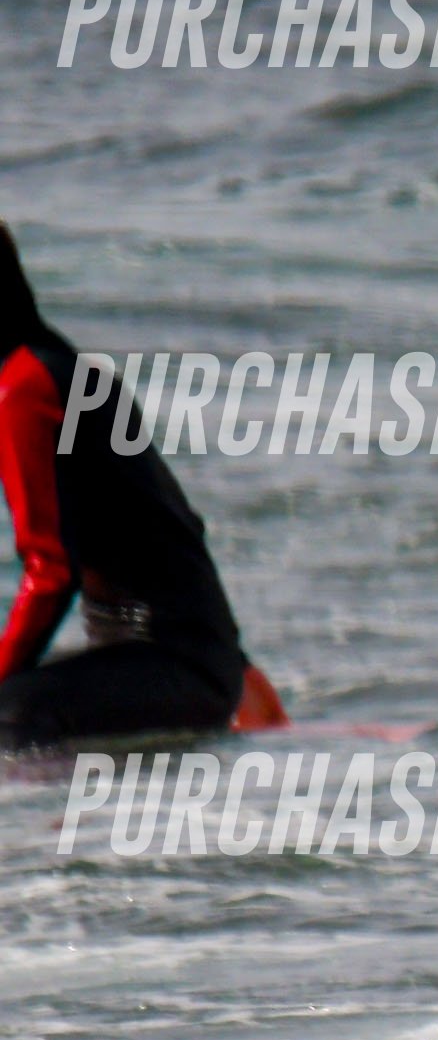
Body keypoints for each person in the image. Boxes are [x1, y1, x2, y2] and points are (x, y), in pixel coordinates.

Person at [0, 222, 276, 746]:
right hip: (180, 660)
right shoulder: (65, 368)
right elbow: (169, 519)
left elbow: (52, 571)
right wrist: (235, 663)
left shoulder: (25, 389)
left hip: (168, 664)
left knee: (8, 718)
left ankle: (44, 807)